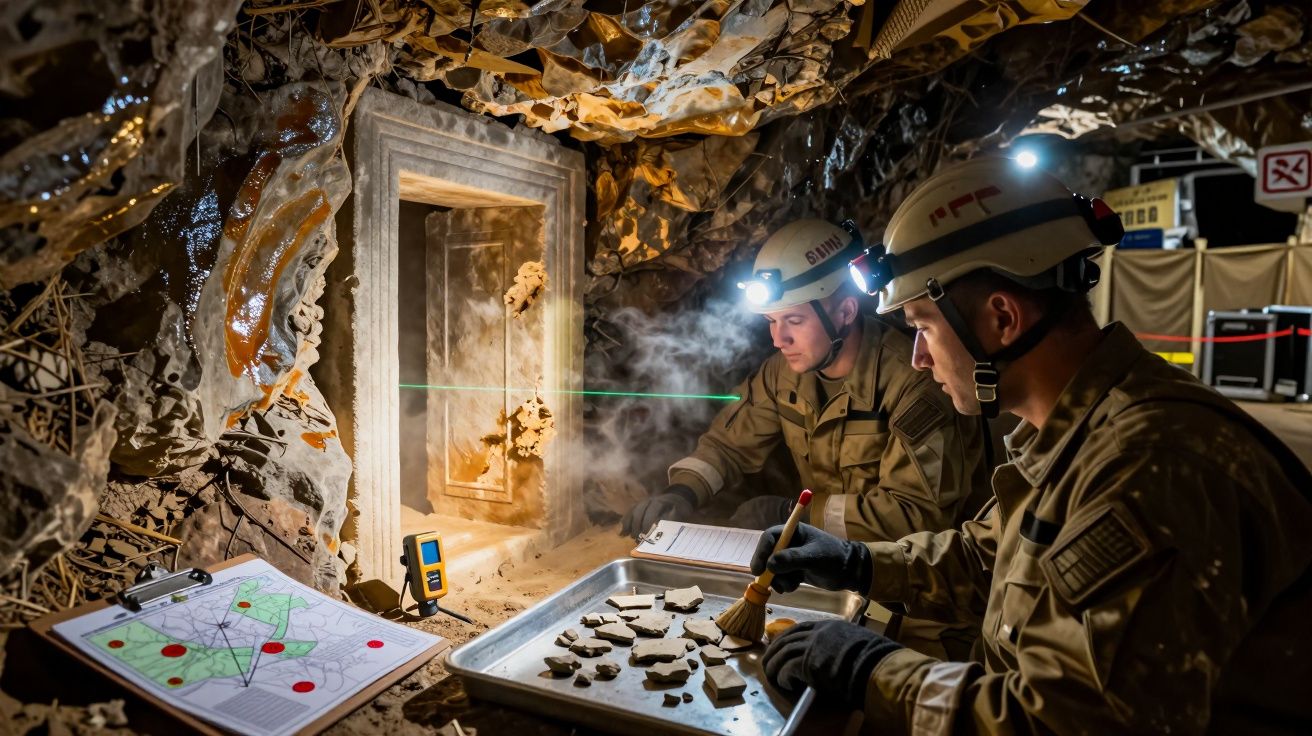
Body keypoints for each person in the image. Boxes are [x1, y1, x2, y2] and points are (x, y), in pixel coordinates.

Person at [753, 157, 1312, 734]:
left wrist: (872, 669)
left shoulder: (1148, 465)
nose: (918, 358)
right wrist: (858, 563)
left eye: (923, 327)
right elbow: (986, 556)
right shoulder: (1077, 430)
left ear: (1002, 318)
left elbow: (1068, 721)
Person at [621, 217, 991, 658]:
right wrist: (683, 491)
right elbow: (729, 445)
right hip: (833, 581)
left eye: (793, 319)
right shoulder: (785, 373)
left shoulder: (914, 382)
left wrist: (794, 515)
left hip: (923, 608)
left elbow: (916, 515)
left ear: (845, 312)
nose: (778, 338)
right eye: (772, 320)